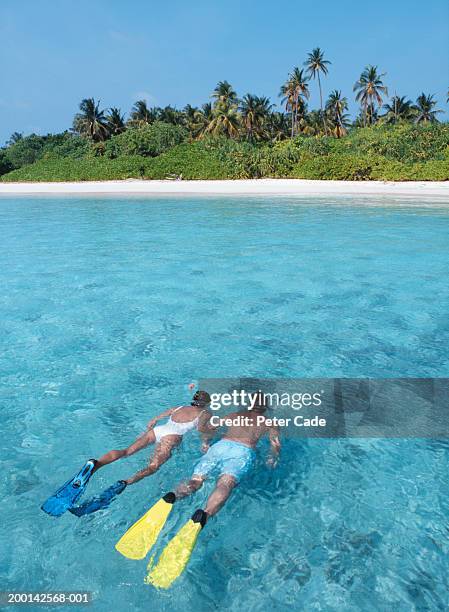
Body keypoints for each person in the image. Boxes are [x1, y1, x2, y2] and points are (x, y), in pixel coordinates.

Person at [115, 398, 281, 588]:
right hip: (242, 451)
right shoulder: (270, 422)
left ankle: (173, 497)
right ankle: (204, 514)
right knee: (225, 483)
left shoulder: (234, 415)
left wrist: (206, 441)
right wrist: (272, 457)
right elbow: (274, 444)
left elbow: (209, 428)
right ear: (266, 408)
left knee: (195, 481)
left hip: (220, 447)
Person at [68, 390, 212, 516]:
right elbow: (201, 430)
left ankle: (96, 464)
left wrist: (151, 425)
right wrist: (206, 441)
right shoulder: (205, 413)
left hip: (158, 431)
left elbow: (154, 420)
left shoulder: (179, 407)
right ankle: (125, 482)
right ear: (205, 403)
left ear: (193, 400)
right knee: (153, 467)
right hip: (172, 437)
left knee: (127, 451)